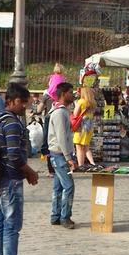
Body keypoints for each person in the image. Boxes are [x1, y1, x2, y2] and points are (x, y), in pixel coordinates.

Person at [0, 83, 39, 255]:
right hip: (10, 180)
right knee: (11, 224)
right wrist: (30, 172)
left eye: (26, 102)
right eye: (21, 101)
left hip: (0, 179)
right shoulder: (11, 123)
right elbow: (14, 156)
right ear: (10, 101)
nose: (24, 105)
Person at [48, 82, 77, 228]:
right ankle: (65, 217)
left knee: (58, 187)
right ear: (64, 94)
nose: (73, 95)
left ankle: (55, 216)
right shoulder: (59, 113)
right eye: (71, 92)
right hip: (59, 155)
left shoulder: (61, 111)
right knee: (69, 186)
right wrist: (69, 158)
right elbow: (61, 137)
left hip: (58, 154)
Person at [72, 86, 96, 171]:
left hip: (81, 127)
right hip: (89, 126)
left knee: (79, 147)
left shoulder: (81, 101)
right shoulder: (92, 102)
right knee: (86, 147)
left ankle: (80, 165)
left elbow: (75, 114)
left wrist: (75, 105)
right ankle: (92, 163)